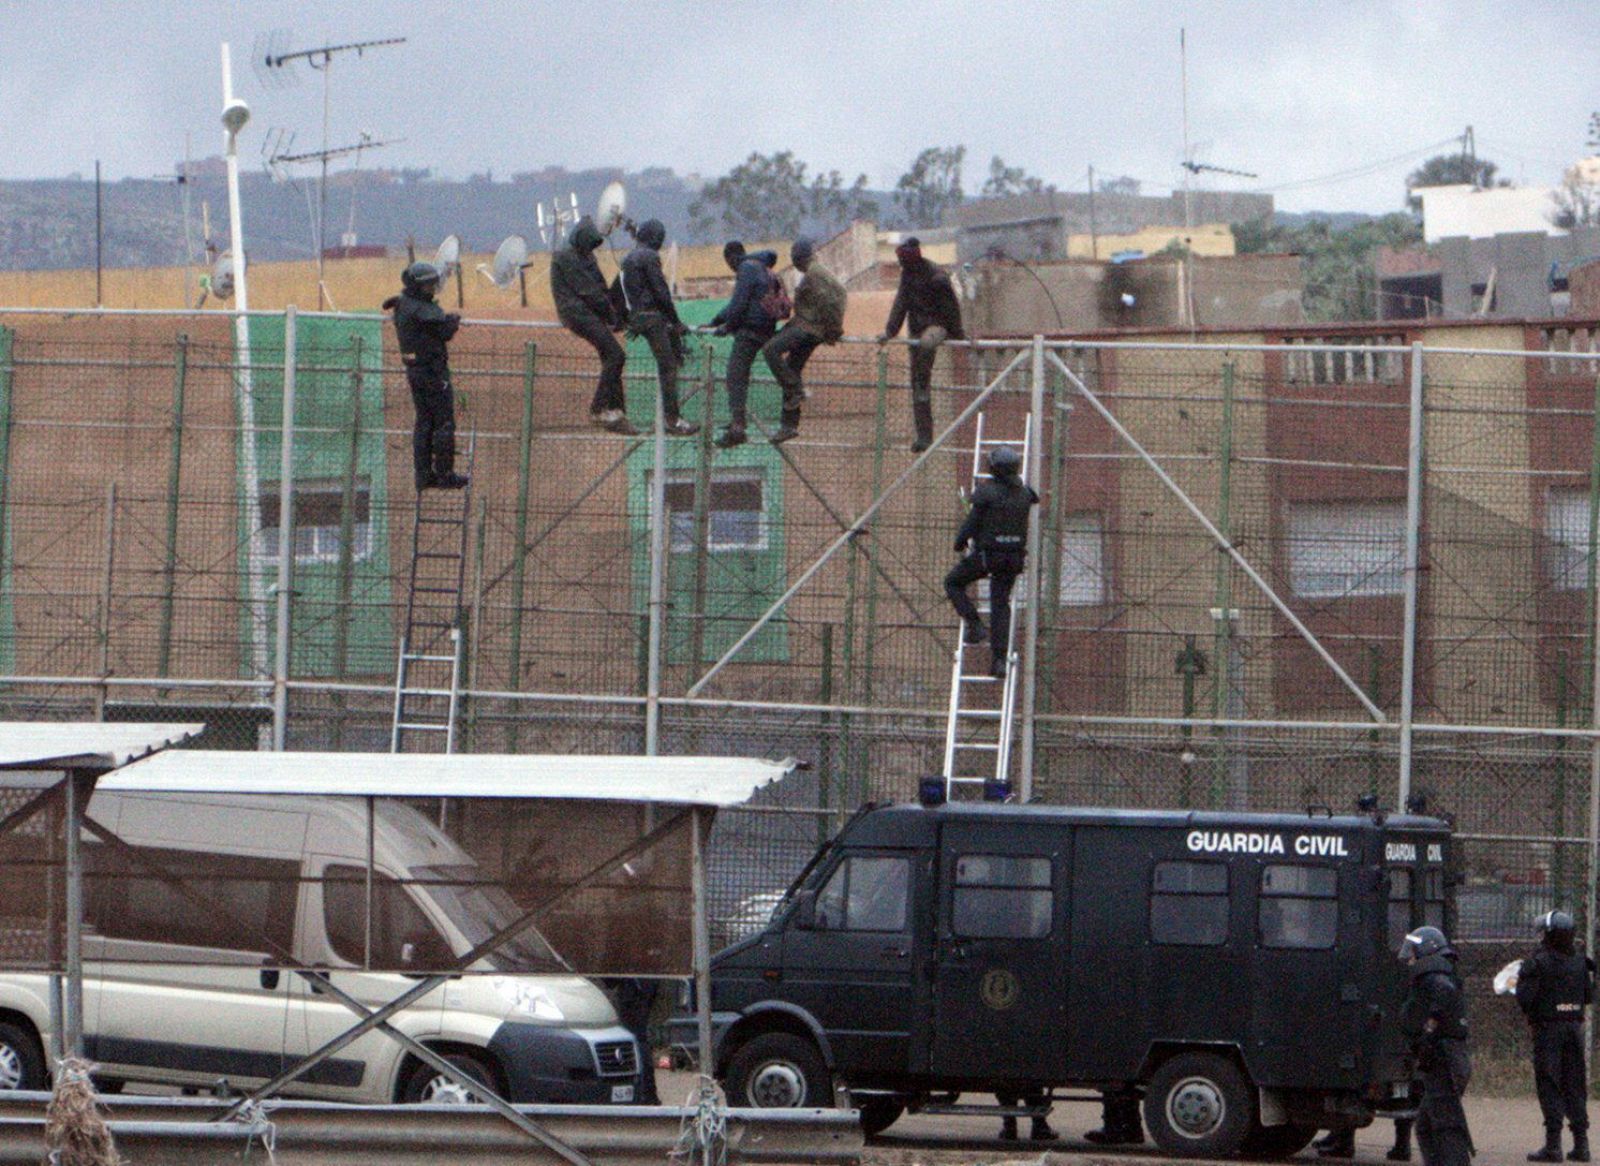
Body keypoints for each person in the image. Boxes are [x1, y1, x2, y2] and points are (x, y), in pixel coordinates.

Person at [946, 445, 1038, 679]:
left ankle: (975, 624)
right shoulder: (1025, 494)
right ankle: (999, 660)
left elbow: (972, 522)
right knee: (1000, 604)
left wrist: (960, 541)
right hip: (1013, 559)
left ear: (995, 469)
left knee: (953, 583)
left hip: (988, 557)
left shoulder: (987, 493)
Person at [1517, 910, 1594, 1163]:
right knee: (1575, 1084)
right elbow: (1587, 996)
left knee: (1550, 1083)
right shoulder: (1580, 961)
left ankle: (1553, 1146)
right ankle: (1581, 1145)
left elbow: (1525, 999)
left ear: (1550, 935)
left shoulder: (1538, 962)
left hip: (1548, 1030)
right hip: (1573, 1028)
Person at [876, 237, 965, 452]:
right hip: (916, 329)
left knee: (926, 346)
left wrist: (958, 334)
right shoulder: (908, 276)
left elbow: (951, 309)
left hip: (938, 326)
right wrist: (890, 331)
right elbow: (901, 304)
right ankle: (924, 436)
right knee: (917, 387)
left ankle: (923, 378)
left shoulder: (937, 277)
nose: (901, 264)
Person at [384, 262, 467, 490]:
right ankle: (445, 474)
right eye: (427, 285)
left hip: (415, 371)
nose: (431, 288)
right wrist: (453, 322)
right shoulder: (421, 310)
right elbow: (443, 331)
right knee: (444, 424)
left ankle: (423, 475)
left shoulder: (403, 304)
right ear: (417, 286)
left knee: (424, 423)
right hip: (432, 371)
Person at [551, 216, 633, 434]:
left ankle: (616, 411)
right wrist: (611, 316)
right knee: (616, 356)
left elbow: (599, 287)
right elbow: (589, 291)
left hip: (589, 312)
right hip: (576, 313)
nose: (591, 249)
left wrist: (614, 310)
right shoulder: (566, 256)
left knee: (611, 357)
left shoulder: (584, 255)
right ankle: (599, 409)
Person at [761, 236, 846, 445]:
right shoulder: (814, 273)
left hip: (807, 328)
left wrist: (833, 328)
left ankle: (795, 391)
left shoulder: (815, 274)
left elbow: (834, 299)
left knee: (770, 350)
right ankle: (789, 425)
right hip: (810, 327)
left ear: (799, 258)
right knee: (791, 366)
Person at [1399, 926, 1473, 1166]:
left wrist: (1430, 1026)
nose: (1410, 959)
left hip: (1445, 1060)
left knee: (1446, 1125)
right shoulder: (1438, 974)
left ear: (1426, 950)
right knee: (1426, 1127)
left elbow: (1444, 992)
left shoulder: (1436, 975)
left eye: (1413, 953)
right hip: (1443, 1060)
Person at [619, 219, 700, 437]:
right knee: (668, 366)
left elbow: (622, 292)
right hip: (652, 317)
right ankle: (673, 419)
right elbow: (661, 292)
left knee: (670, 355)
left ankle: (678, 352)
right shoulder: (649, 257)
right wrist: (676, 320)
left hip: (637, 316)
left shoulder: (629, 257)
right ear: (655, 237)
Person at [709, 241, 782, 449]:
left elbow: (740, 303)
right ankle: (738, 423)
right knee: (745, 373)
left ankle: (738, 426)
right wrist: (718, 318)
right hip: (767, 327)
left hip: (751, 330)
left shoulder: (745, 269)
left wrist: (727, 326)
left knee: (735, 375)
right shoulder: (760, 266)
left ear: (731, 258)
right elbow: (740, 303)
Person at [600, 977, 662, 1105]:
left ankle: (643, 1092)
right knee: (639, 1038)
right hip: (641, 984)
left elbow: (610, 980)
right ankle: (647, 1092)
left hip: (633, 988)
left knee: (636, 1039)